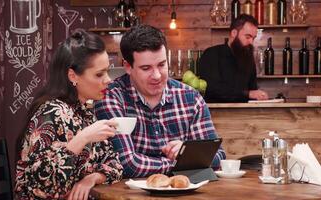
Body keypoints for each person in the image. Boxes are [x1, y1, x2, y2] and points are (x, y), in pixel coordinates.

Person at [94, 24, 226, 178]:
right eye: (146, 68)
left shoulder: (191, 98)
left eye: (162, 65)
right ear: (128, 67)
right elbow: (127, 164)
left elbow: (218, 156)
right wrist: (185, 161)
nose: (157, 75)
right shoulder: (110, 97)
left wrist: (186, 150)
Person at [15, 29, 123, 200]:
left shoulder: (85, 112)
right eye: (99, 74)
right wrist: (83, 138)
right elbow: (39, 184)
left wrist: (92, 178)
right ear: (73, 75)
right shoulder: (51, 112)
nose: (108, 79)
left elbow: (115, 164)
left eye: (107, 71)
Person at [199, 14, 269, 103]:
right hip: (216, 114)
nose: (251, 42)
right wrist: (248, 94)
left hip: (244, 115)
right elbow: (212, 89)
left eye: (253, 38)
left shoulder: (249, 59)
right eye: (247, 37)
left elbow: (252, 89)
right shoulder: (211, 54)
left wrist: (259, 96)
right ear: (234, 33)